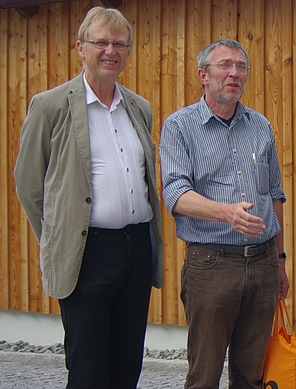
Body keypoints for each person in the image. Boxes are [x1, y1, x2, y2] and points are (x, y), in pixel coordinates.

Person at [13, 6, 164, 389]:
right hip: (86, 254)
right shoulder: (50, 106)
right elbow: (29, 185)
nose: (110, 50)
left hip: (135, 250)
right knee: (89, 368)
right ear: (81, 47)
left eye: (119, 44)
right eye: (101, 42)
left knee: (127, 363)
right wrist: (55, 241)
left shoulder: (139, 108)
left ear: (128, 52)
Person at [159, 39, 289, 389]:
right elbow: (174, 193)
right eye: (225, 65)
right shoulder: (179, 127)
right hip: (211, 265)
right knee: (204, 375)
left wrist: (280, 261)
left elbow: (274, 194)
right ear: (203, 75)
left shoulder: (260, 125)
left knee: (252, 375)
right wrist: (227, 213)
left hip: (263, 264)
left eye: (241, 66)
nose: (235, 73)